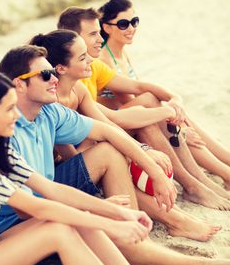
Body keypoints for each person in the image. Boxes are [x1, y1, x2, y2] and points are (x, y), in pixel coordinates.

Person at [0, 44, 230, 265]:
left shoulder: (49, 111)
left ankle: (137, 235)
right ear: (19, 84)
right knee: (90, 225)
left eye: (53, 73)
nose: (54, 79)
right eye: (46, 75)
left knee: (107, 151)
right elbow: (27, 209)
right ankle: (198, 264)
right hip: (13, 224)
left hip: (46, 192)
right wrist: (99, 210)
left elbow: (108, 131)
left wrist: (154, 171)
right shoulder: (3, 132)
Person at [0, 72, 169, 265]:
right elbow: (37, 207)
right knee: (60, 230)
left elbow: (52, 190)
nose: (16, 115)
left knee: (75, 217)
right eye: (8, 109)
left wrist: (118, 212)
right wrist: (110, 225)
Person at [29, 28, 221, 242]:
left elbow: (109, 125)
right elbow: (74, 159)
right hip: (56, 173)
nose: (92, 59)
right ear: (61, 68)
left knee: (126, 147)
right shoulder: (50, 102)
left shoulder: (79, 91)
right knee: (114, 161)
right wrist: (132, 157)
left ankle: (185, 201)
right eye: (83, 57)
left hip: (86, 154)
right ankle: (175, 220)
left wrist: (143, 152)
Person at [57, 5, 230, 210]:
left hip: (103, 131)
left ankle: (203, 180)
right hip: (89, 146)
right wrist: (166, 116)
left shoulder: (90, 67)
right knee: (154, 115)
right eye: (94, 33)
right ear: (73, 39)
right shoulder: (67, 81)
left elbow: (138, 88)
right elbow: (113, 119)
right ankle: (199, 183)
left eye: (134, 22)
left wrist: (175, 100)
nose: (100, 39)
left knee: (157, 108)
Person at [98, 0, 230, 191]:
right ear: (107, 27)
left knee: (179, 118)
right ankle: (225, 173)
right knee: (174, 123)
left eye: (134, 22)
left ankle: (226, 165)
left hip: (133, 114)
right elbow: (136, 101)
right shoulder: (104, 58)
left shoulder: (122, 52)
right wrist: (179, 127)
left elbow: (139, 98)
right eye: (124, 24)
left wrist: (175, 110)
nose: (131, 28)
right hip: (117, 124)